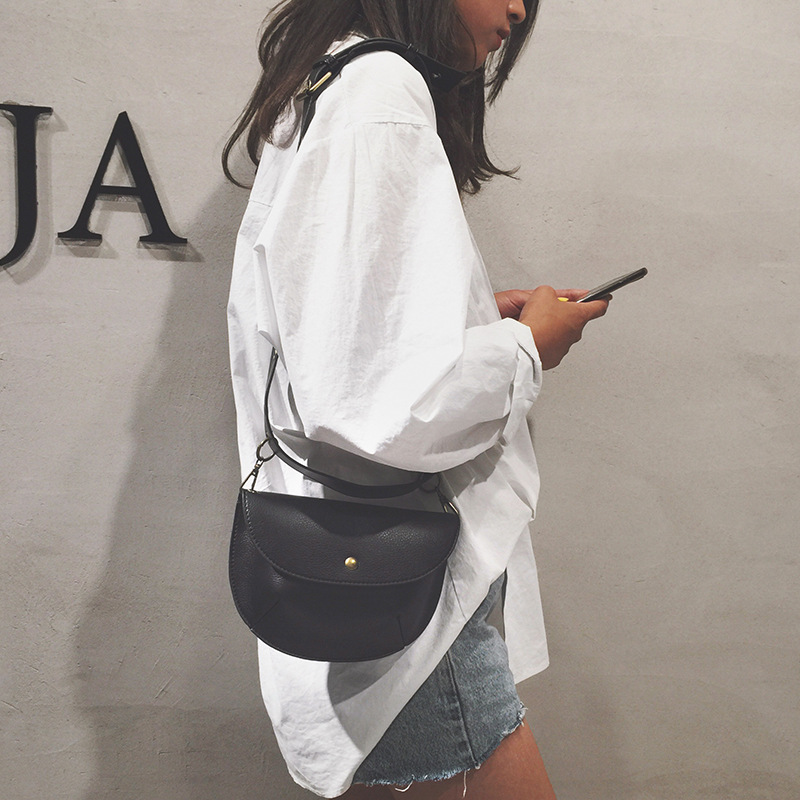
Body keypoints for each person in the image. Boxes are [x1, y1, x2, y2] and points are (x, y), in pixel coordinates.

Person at [225, 1, 609, 797]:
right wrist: (526, 347)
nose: (518, 9)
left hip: (372, 579)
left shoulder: (332, 77)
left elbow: (336, 333)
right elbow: (382, 401)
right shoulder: (380, 92)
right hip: (413, 610)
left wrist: (470, 319)